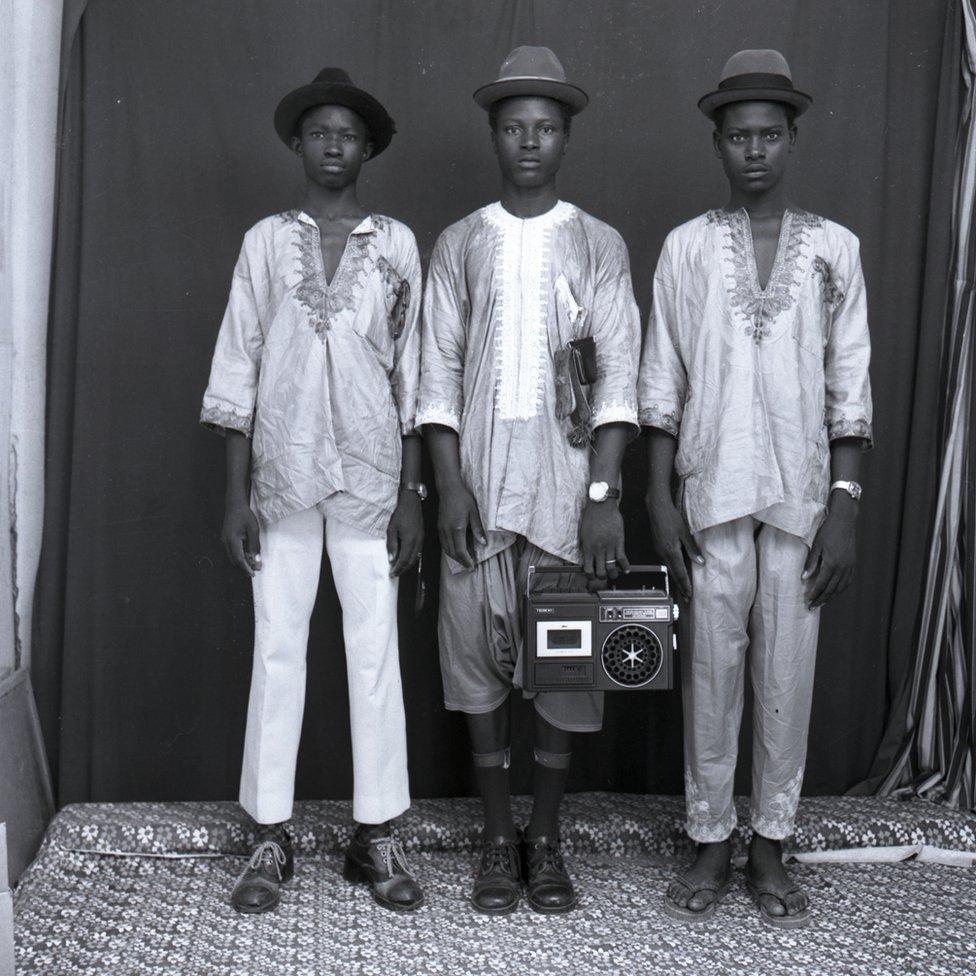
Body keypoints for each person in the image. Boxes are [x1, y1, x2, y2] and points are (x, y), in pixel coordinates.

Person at [638, 50, 872, 928]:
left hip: (802, 504)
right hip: (709, 497)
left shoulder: (835, 251)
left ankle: (769, 842)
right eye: (739, 137)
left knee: (788, 677)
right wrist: (659, 500)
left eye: (770, 135)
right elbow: (660, 385)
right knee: (710, 671)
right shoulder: (688, 249)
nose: (756, 152)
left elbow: (850, 392)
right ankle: (709, 837)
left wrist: (843, 511)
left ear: (793, 139)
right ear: (718, 144)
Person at [417, 46, 641, 915]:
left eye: (546, 128)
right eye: (514, 127)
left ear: (567, 136)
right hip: (477, 498)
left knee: (564, 679)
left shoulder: (599, 244)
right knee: (475, 676)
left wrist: (601, 497)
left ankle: (544, 842)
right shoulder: (459, 244)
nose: (529, 143)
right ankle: (494, 842)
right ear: (492, 135)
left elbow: (619, 381)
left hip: (563, 503)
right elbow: (434, 379)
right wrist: (450, 486)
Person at [200, 68, 426, 914]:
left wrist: (413, 493)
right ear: (299, 144)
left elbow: (414, 371)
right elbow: (238, 365)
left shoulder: (396, 244)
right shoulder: (267, 242)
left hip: (371, 479)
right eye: (320, 132)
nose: (334, 146)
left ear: (369, 148)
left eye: (349, 134)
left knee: (374, 655)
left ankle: (377, 836)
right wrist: (236, 498)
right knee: (278, 648)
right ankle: (269, 836)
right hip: (282, 478)